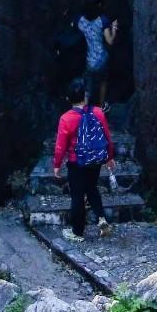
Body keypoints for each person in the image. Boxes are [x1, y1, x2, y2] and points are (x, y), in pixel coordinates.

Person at [53, 78, 115, 241]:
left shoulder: (66, 118)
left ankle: (77, 232)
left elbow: (60, 146)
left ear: (68, 99)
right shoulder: (98, 112)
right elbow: (107, 136)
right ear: (85, 97)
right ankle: (102, 219)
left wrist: (57, 165)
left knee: (77, 196)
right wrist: (109, 157)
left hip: (76, 162)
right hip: (95, 161)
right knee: (92, 188)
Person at [76, 9, 118, 107]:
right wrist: (114, 28)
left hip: (90, 61)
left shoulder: (81, 21)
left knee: (88, 87)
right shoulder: (103, 21)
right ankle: (101, 106)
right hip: (102, 59)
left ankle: (84, 110)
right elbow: (110, 41)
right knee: (103, 82)